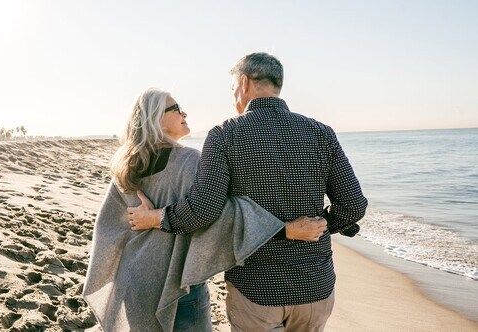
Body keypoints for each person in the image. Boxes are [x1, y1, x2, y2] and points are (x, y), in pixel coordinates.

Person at [129, 53, 368, 332]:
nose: (234, 98)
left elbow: (203, 210)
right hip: (315, 285)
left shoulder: (224, 134)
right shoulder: (321, 132)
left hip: (257, 286)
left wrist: (156, 218)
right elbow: (353, 205)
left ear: (243, 83)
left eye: (233, 89)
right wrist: (323, 224)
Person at [82, 88, 302, 331]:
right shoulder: (190, 161)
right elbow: (218, 214)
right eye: (175, 109)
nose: (184, 113)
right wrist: (284, 228)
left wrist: (145, 223)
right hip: (177, 285)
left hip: (134, 280)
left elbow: (107, 227)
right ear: (155, 118)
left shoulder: (126, 165)